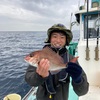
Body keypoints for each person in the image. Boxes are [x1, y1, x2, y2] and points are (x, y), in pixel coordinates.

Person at [25, 24, 89, 100]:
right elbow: (29, 80)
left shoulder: (70, 58)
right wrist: (39, 76)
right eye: (55, 36)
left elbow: (82, 92)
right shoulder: (40, 55)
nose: (58, 40)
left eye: (62, 37)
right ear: (50, 39)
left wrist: (78, 80)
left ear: (66, 41)